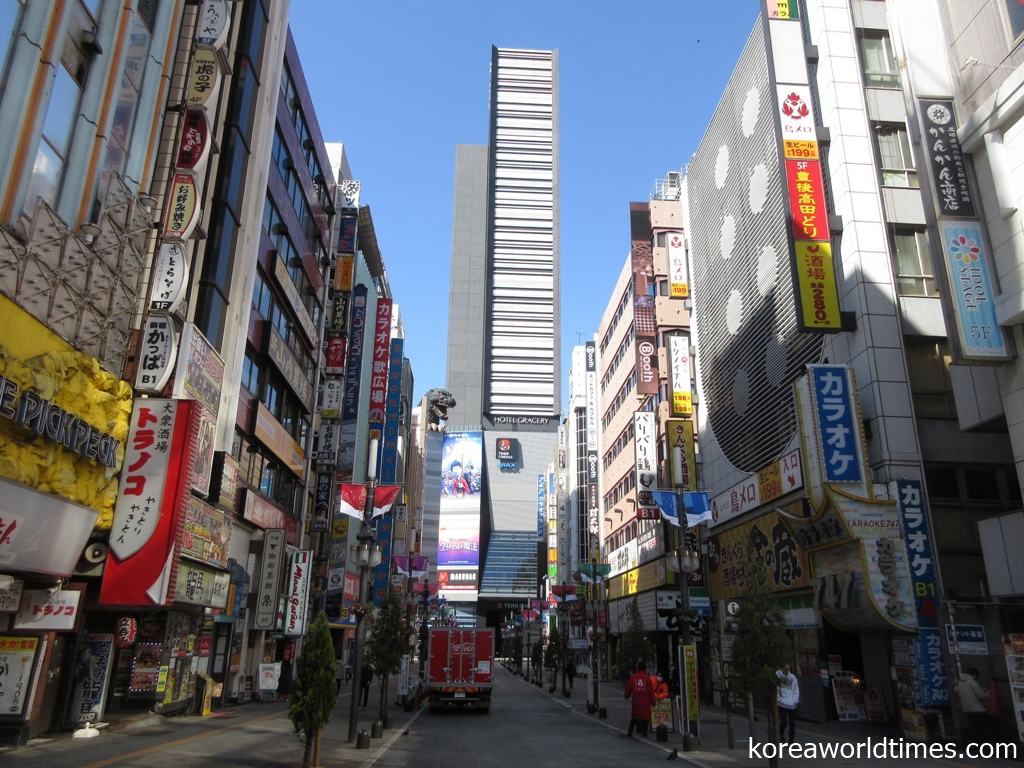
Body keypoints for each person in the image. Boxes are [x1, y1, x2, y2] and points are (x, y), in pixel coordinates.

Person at [625, 661, 658, 737]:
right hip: (646, 700)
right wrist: (653, 702)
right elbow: (650, 691)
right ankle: (644, 732)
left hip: (636, 699)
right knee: (646, 716)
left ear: (638, 668)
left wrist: (626, 695)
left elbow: (629, 688)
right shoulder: (647, 678)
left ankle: (630, 731)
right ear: (645, 668)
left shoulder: (633, 677)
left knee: (635, 716)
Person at [959, 667, 991, 741]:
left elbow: (969, 692)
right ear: (974, 675)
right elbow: (981, 696)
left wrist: (980, 690)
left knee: (973, 727)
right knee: (990, 722)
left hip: (966, 709)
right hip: (977, 709)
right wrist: (988, 695)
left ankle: (974, 744)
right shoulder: (972, 682)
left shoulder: (960, 682)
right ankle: (991, 740)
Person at [776, 663, 799, 744]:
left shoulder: (793, 677)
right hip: (782, 704)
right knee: (784, 722)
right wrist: (779, 699)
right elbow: (777, 689)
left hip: (792, 705)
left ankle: (791, 742)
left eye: (789, 664)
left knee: (792, 723)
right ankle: (781, 733)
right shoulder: (778, 676)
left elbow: (796, 690)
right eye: (786, 664)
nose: (788, 666)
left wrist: (794, 701)